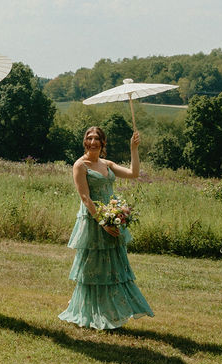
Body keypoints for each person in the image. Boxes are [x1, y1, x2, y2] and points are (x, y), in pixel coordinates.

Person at [58, 126, 154, 329]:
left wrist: (134, 149)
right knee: (92, 267)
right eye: (89, 138)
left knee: (114, 265)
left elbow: (134, 173)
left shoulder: (107, 164)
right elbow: (85, 198)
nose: (93, 142)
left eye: (97, 139)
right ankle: (85, 309)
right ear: (85, 142)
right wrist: (102, 222)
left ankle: (112, 311)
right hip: (94, 219)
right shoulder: (80, 165)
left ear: (103, 143)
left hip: (112, 216)